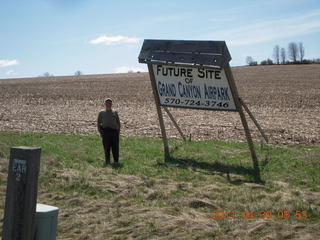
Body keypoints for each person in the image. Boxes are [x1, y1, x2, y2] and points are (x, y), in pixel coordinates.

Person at [97, 98, 121, 165]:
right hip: (105, 132)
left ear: (111, 104)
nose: (109, 104)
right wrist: (100, 132)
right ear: (105, 104)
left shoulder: (115, 112)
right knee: (106, 148)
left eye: (110, 103)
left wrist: (118, 132)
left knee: (115, 147)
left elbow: (118, 123)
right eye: (107, 103)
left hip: (114, 132)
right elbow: (98, 123)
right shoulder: (101, 113)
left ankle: (116, 161)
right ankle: (107, 161)